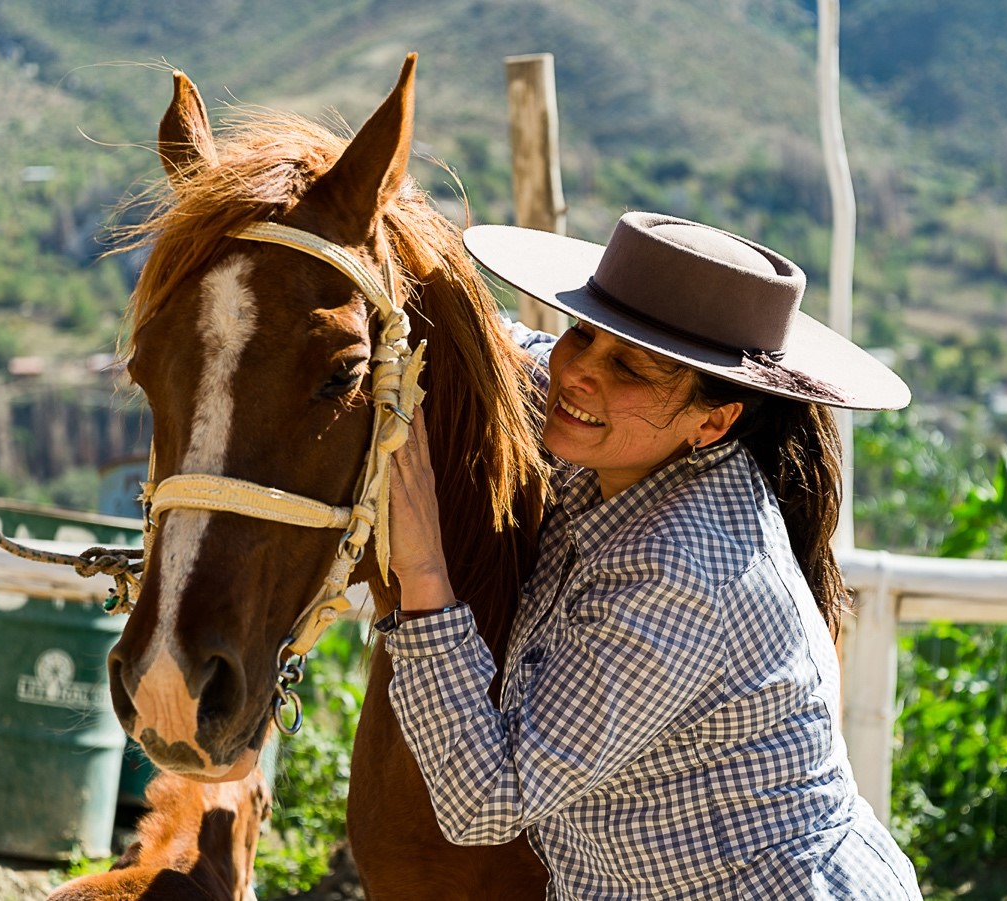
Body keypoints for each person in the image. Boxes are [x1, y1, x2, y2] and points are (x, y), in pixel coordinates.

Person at [379, 211, 922, 899]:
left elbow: (484, 801)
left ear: (715, 419)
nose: (576, 370)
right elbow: (510, 352)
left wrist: (423, 569)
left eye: (628, 365)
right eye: (583, 331)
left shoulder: (679, 568)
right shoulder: (622, 435)